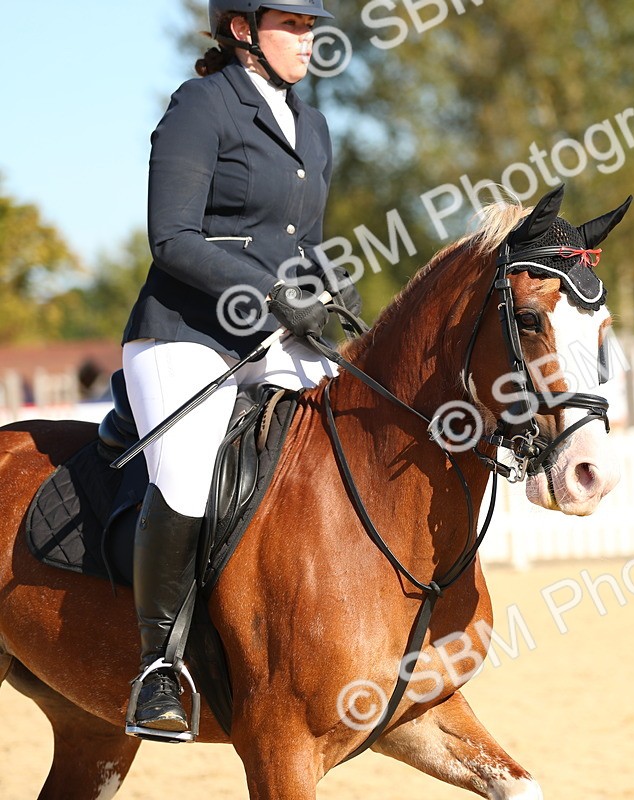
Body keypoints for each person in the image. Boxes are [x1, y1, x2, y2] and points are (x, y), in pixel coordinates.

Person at [120, 0, 360, 738]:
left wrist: (335, 289)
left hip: (275, 335)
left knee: (346, 437)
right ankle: (159, 667)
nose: (309, 40)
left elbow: (303, 242)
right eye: (293, 25)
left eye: (312, 27)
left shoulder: (312, 126)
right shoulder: (201, 105)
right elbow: (172, 237)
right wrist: (271, 293)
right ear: (241, 29)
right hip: (186, 332)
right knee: (190, 472)